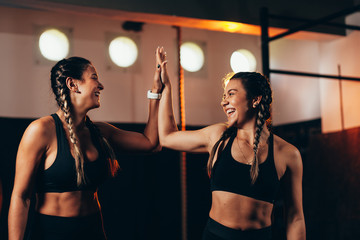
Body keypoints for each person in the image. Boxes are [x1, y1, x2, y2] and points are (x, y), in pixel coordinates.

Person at [8, 47, 164, 240]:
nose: (101, 85)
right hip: (51, 233)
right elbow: (21, 197)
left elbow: (151, 144)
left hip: (93, 231)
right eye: (94, 77)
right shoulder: (41, 130)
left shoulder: (100, 132)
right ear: (73, 84)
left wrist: (156, 91)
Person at [157, 50, 306, 239]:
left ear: (255, 99)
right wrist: (167, 87)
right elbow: (167, 136)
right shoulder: (219, 136)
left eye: (231, 94)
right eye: (224, 95)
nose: (223, 101)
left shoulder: (288, 153)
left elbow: (295, 218)